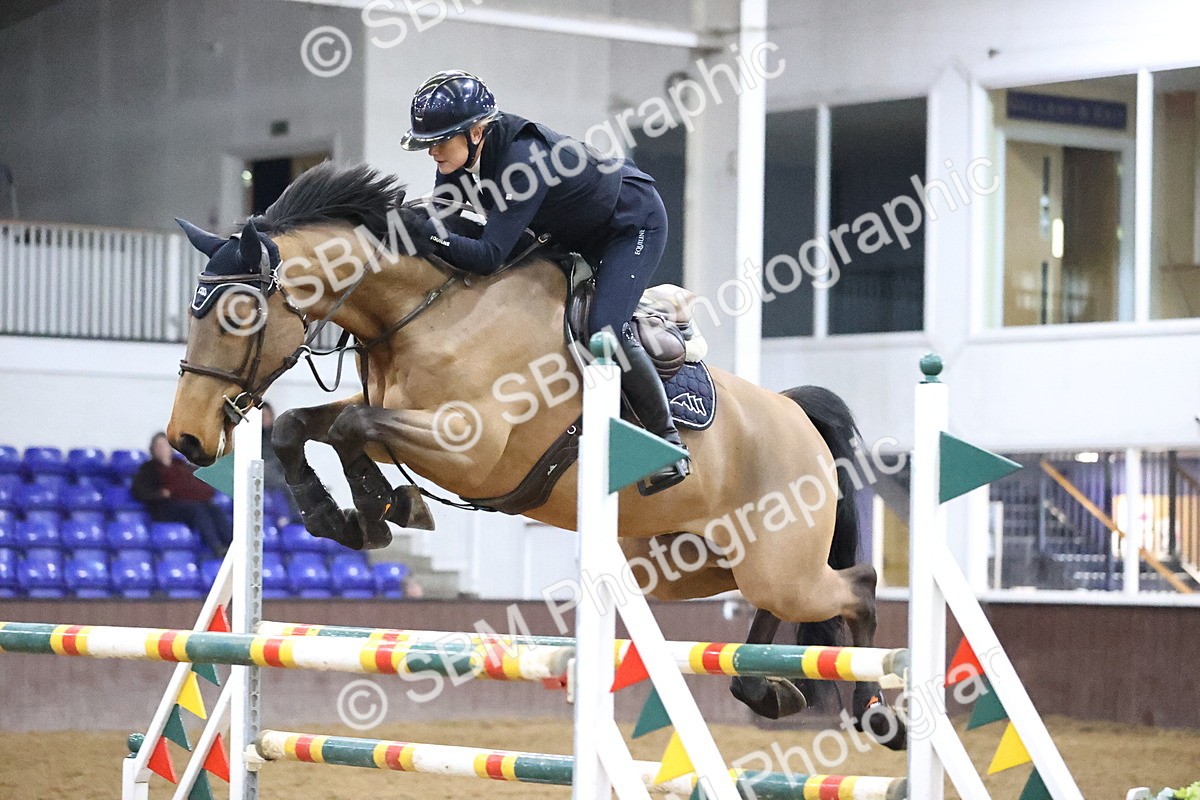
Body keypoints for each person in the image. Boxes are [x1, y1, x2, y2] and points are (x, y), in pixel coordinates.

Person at [400, 70, 688, 494]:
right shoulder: (457, 163)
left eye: (441, 141)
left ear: (477, 132)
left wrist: (426, 232)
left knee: (603, 330)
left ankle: (666, 442)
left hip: (630, 223)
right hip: (570, 230)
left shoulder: (522, 159)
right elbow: (444, 224)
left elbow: (487, 256)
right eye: (428, 143)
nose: (432, 153)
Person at [131, 432, 233, 556]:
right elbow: (140, 491)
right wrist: (160, 494)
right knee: (197, 510)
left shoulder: (180, 465)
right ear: (153, 449)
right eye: (159, 446)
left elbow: (195, 484)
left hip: (190, 502)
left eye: (165, 445)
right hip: (166, 508)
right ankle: (216, 547)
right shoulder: (148, 468)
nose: (162, 449)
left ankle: (233, 544)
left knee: (213, 509)